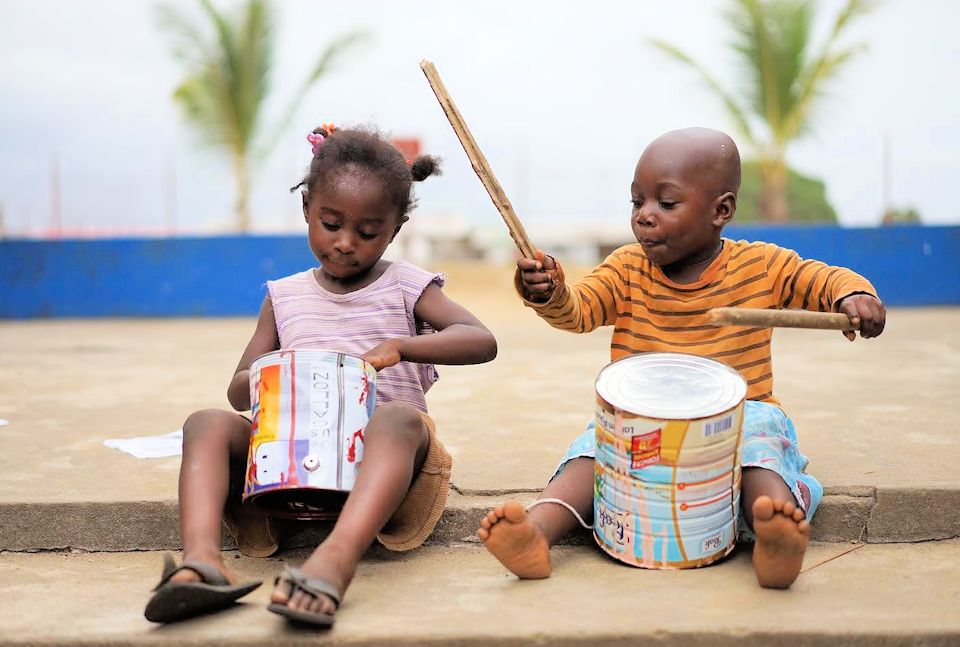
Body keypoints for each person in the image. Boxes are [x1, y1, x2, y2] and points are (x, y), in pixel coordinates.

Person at [478, 127, 885, 589]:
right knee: (592, 450)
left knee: (758, 449)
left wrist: (853, 295)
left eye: (665, 204)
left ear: (721, 210)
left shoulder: (761, 265)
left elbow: (822, 278)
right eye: (638, 202)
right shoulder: (627, 268)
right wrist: (548, 291)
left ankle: (775, 532)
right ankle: (537, 531)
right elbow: (578, 310)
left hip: (737, 417)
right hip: (642, 422)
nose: (645, 217)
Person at [145, 124, 497, 626]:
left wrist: (401, 347)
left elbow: (480, 339)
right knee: (205, 422)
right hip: (290, 463)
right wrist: (278, 373)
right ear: (307, 208)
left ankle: (333, 563)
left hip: (384, 460)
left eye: (368, 232)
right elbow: (237, 386)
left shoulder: (405, 286)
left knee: (397, 418)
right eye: (331, 223)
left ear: (394, 231)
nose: (346, 243)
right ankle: (200, 563)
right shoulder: (284, 296)